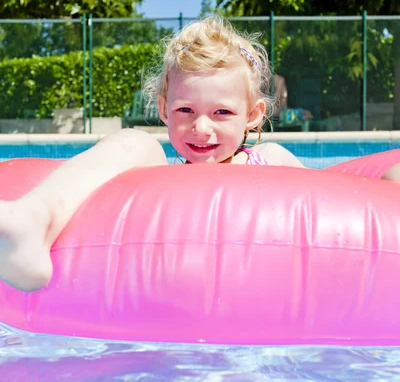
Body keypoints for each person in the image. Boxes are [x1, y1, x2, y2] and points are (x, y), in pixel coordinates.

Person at [0, 16, 398, 293]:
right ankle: (31, 220)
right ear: (162, 108)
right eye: (185, 111)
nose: (201, 128)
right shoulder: (156, 173)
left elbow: (339, 202)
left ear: (253, 116)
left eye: (222, 113)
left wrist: (386, 182)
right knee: (136, 142)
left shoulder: (271, 160)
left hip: (257, 295)